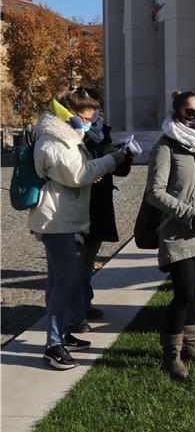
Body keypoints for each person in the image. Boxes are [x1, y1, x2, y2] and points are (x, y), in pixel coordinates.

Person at [28, 87, 127, 370]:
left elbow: (75, 174)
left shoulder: (67, 136)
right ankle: (53, 346)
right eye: (85, 117)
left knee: (58, 281)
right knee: (65, 283)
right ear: (69, 114)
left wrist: (89, 171)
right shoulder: (56, 140)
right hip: (56, 219)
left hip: (62, 216)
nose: (88, 122)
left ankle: (62, 335)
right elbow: (77, 174)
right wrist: (111, 161)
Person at [145, 90, 195, 380]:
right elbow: (155, 193)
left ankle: (192, 345)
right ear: (178, 114)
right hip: (178, 232)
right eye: (191, 112)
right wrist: (189, 213)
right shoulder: (166, 146)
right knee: (184, 292)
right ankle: (172, 355)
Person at [54, 89, 133, 334]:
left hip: (99, 204)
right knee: (76, 262)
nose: (92, 119)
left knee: (88, 260)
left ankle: (84, 304)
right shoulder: (66, 135)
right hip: (78, 203)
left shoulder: (103, 132)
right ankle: (74, 315)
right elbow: (73, 170)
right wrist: (101, 163)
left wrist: (123, 157)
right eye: (87, 114)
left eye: (95, 111)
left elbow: (118, 171)